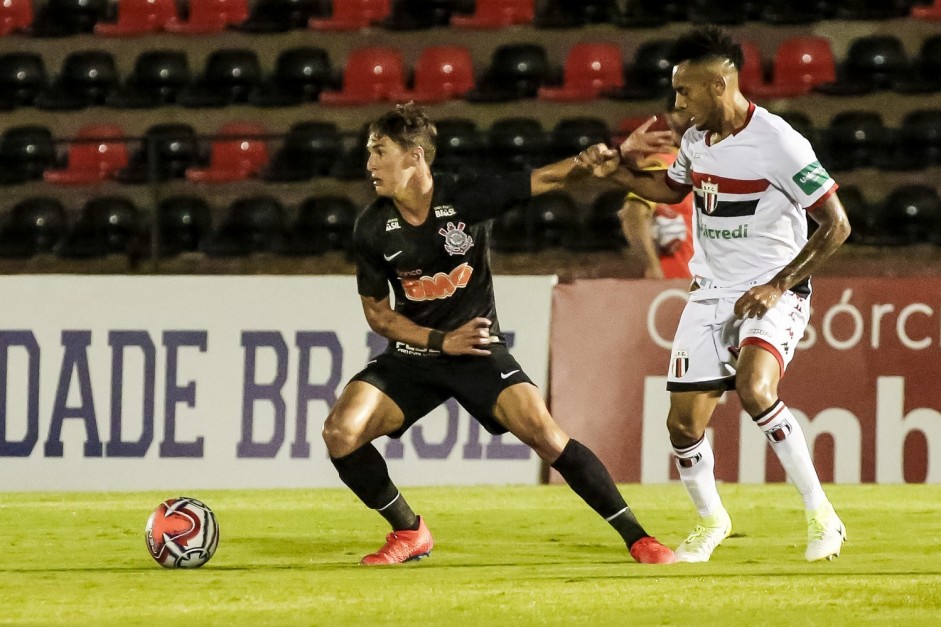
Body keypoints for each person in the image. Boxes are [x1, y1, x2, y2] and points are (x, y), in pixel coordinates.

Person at [322, 103, 674, 566]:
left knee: (547, 436)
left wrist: (601, 157)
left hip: (477, 352)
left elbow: (545, 179)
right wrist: (439, 341)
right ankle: (410, 532)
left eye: (379, 152)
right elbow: (378, 314)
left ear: (414, 158)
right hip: (415, 353)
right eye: (370, 153)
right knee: (340, 432)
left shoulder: (465, 197)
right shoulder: (372, 226)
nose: (369, 164)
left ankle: (639, 538)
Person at [581, 26, 851, 563]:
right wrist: (617, 174)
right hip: (710, 291)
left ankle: (823, 515)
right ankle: (711, 521)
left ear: (720, 84)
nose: (677, 103)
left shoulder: (778, 141)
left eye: (685, 91)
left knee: (755, 388)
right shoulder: (696, 141)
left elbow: (837, 224)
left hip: (774, 288)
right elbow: (671, 192)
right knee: (682, 424)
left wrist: (777, 285)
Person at [618, 102, 695, 279]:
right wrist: (653, 268)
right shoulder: (662, 164)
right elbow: (633, 214)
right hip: (670, 289)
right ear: (669, 117)